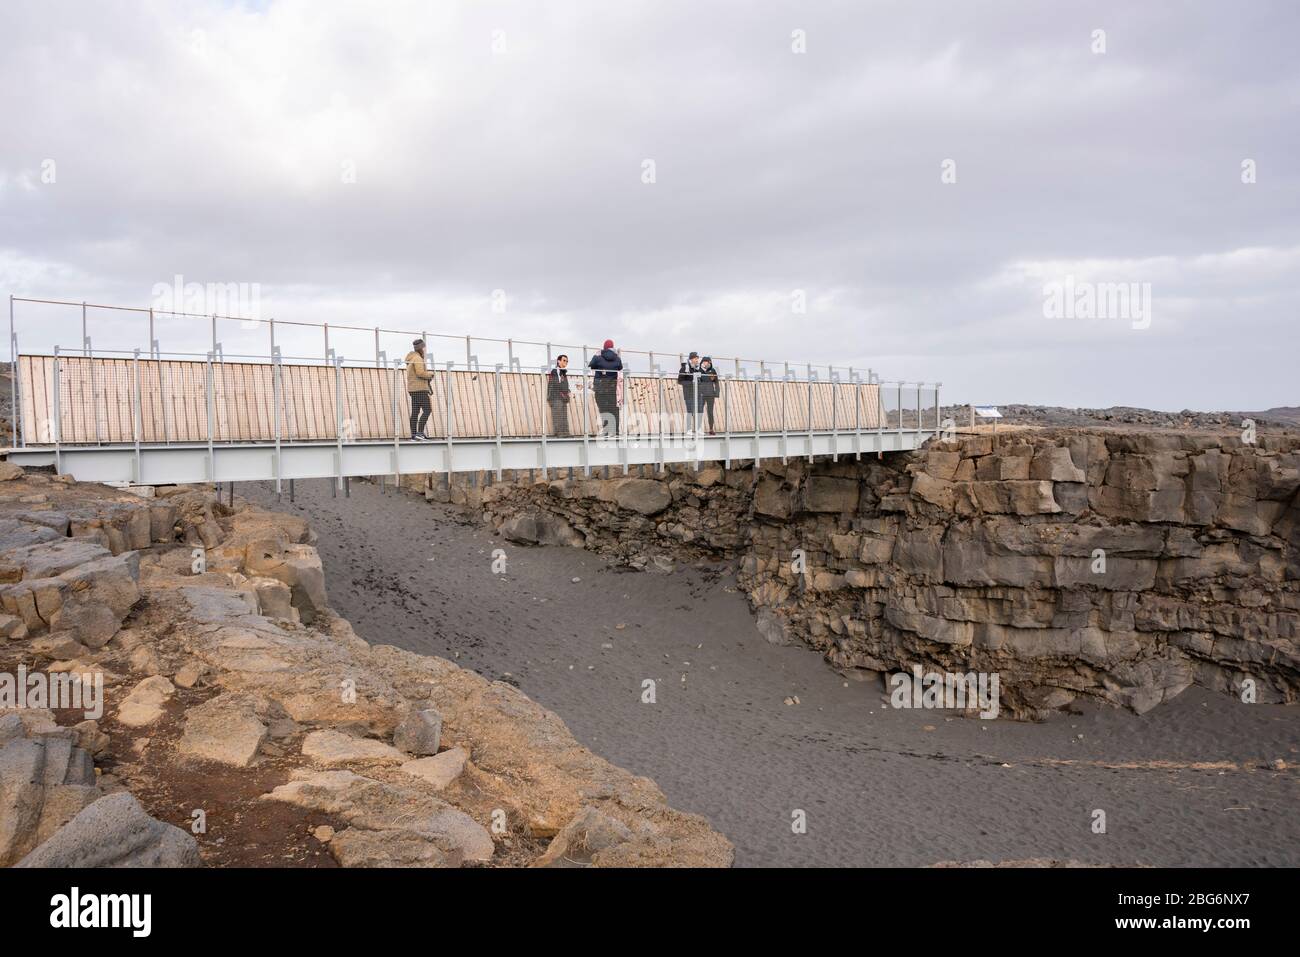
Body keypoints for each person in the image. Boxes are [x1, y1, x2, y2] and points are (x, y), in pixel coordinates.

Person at [588, 339, 623, 436]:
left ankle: (606, 430)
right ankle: (615, 431)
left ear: (604, 347)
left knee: (603, 408)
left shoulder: (598, 357)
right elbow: (620, 367)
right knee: (613, 408)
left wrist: (596, 355)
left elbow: (591, 365)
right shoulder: (617, 359)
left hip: (600, 386)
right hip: (612, 386)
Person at [405, 338, 434, 439]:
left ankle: (414, 435)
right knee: (427, 410)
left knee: (415, 412)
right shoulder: (418, 359)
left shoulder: (411, 358)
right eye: (424, 347)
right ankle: (420, 433)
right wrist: (430, 375)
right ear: (421, 348)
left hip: (413, 389)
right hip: (420, 389)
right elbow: (420, 373)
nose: (424, 350)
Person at [546, 354, 572, 437]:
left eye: (567, 361)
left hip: (562, 397)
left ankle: (566, 433)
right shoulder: (556, 371)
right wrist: (563, 393)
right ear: (558, 361)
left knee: (564, 416)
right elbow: (556, 384)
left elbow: (563, 384)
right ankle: (559, 433)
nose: (566, 362)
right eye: (564, 360)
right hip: (556, 397)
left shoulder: (563, 372)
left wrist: (567, 392)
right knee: (557, 415)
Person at [677, 351, 702, 432]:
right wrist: (691, 383)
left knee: (699, 411)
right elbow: (680, 381)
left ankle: (698, 429)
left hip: (697, 393)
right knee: (690, 411)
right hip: (688, 393)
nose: (697, 360)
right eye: (695, 358)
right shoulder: (684, 368)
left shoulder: (697, 369)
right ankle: (689, 429)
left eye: (697, 358)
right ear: (691, 359)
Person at [698, 356, 720, 434]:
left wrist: (716, 393)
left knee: (710, 412)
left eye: (707, 362)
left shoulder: (712, 370)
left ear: (709, 362)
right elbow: (696, 382)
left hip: (710, 394)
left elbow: (716, 382)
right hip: (701, 394)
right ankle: (699, 429)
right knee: (700, 412)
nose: (705, 363)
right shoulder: (699, 370)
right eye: (704, 361)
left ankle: (711, 429)